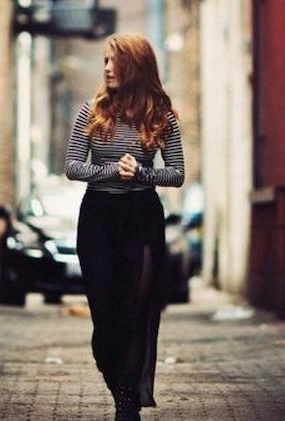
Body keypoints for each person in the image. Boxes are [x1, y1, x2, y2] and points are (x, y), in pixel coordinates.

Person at [64, 33, 185, 421]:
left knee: (135, 312)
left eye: (114, 61)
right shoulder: (92, 110)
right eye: (104, 61)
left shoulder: (161, 115)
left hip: (142, 218)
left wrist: (144, 173)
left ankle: (126, 403)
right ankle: (118, 379)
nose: (107, 68)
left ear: (135, 65)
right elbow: (72, 166)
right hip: (98, 218)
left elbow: (178, 173)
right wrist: (111, 171)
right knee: (106, 318)